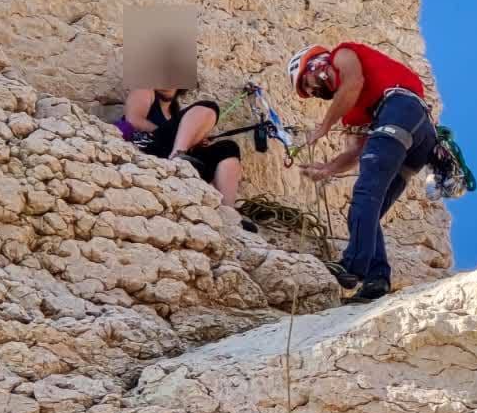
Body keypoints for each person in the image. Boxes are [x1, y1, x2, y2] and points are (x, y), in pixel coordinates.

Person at [288, 41, 438, 300]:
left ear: (316, 64)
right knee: (366, 211)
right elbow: (355, 151)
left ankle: (352, 266)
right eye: (307, 92)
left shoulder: (343, 54)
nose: (312, 91)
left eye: (306, 83)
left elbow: (353, 83)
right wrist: (328, 168)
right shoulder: (353, 113)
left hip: (399, 110)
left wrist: (324, 127)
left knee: (365, 196)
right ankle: (376, 280)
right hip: (418, 137)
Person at [116, 87, 256, 223]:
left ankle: (228, 211)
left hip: (168, 154)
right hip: (148, 148)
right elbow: (133, 120)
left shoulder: (174, 110)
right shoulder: (145, 91)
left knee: (228, 148)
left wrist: (195, 141)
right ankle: (178, 158)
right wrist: (176, 133)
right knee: (209, 107)